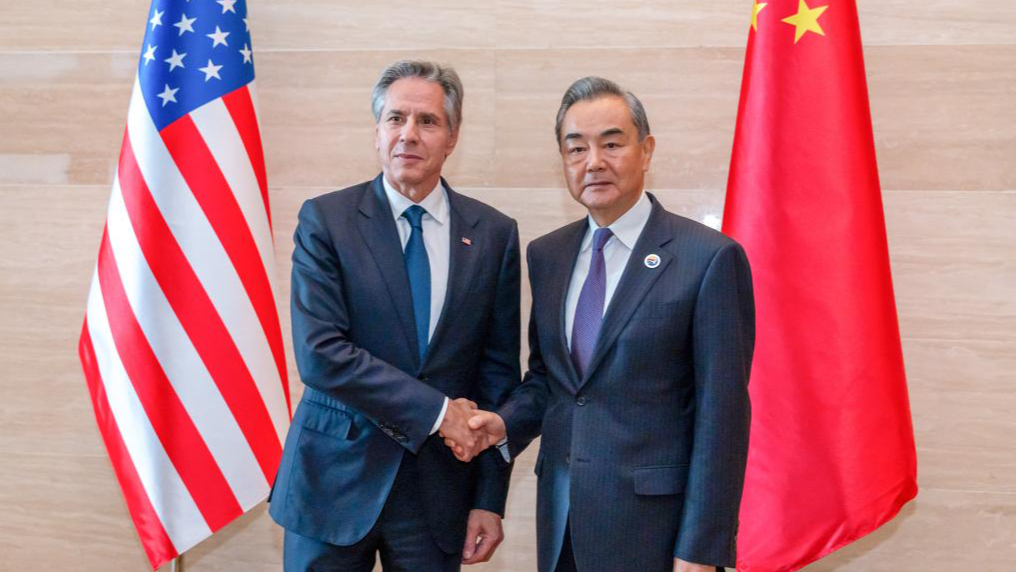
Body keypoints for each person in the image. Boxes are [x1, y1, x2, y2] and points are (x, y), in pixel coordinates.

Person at [455, 77, 755, 572]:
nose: (593, 161)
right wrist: (505, 422)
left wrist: (701, 550)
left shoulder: (709, 259)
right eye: (576, 149)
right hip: (563, 523)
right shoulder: (547, 255)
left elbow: (722, 418)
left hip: (657, 532)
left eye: (612, 144)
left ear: (646, 150)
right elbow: (552, 380)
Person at [269, 60, 520, 572]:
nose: (409, 134)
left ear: (452, 137)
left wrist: (489, 499)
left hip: (439, 494)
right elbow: (321, 355)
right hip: (333, 484)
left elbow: (497, 374)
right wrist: (438, 412)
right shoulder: (327, 220)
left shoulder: (494, 234)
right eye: (395, 118)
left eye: (427, 121)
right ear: (377, 131)